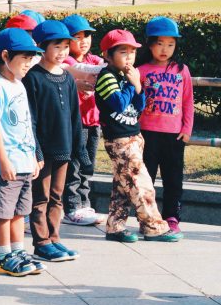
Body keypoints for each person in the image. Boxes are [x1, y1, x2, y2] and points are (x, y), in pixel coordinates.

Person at [94, 29, 181, 243]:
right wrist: (133, 85)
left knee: (122, 187)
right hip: (119, 140)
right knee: (141, 183)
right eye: (123, 52)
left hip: (134, 136)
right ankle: (154, 226)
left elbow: (139, 105)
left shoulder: (127, 75)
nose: (129, 57)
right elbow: (118, 103)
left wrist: (138, 86)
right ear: (107, 55)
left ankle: (115, 227)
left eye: (132, 52)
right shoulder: (107, 77)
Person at [0, 28, 45, 276]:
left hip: (24, 162)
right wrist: (3, 159)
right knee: (3, 212)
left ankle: (19, 252)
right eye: (25, 59)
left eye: (32, 59)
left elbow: (26, 125)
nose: (28, 64)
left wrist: (33, 155)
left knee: (21, 211)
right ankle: (3, 256)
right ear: (6, 56)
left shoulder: (18, 84)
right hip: (7, 163)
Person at [23, 21, 84, 263]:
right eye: (56, 46)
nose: (62, 52)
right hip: (43, 150)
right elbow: (31, 119)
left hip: (63, 148)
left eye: (66, 46)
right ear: (41, 47)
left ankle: (55, 238)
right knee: (41, 197)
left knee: (57, 196)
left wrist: (78, 148)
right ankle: (41, 242)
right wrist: (36, 152)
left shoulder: (67, 78)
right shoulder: (33, 78)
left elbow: (74, 116)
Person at [137, 17, 193, 235]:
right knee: (146, 179)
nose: (165, 49)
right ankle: (148, 217)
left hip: (174, 136)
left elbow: (188, 101)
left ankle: (172, 217)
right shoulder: (140, 70)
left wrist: (187, 129)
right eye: (160, 43)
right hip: (147, 134)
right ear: (150, 43)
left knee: (173, 179)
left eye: (170, 44)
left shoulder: (181, 70)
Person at [61, 14, 105, 226]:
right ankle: (71, 207)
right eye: (77, 36)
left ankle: (84, 204)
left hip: (93, 122)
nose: (84, 40)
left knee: (88, 165)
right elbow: (89, 70)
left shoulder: (94, 58)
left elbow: (99, 65)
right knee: (74, 167)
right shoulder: (66, 60)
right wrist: (113, 65)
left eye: (87, 35)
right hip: (74, 124)